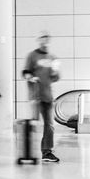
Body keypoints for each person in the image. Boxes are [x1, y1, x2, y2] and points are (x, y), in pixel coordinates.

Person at [22, 31, 60, 162]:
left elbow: (55, 77)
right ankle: (28, 152)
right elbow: (26, 72)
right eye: (43, 38)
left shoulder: (53, 57)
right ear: (39, 40)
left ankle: (47, 152)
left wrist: (55, 72)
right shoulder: (32, 56)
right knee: (33, 123)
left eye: (47, 38)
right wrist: (31, 78)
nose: (45, 40)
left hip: (48, 95)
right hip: (35, 95)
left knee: (49, 124)